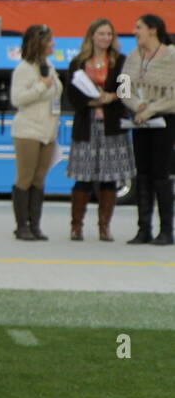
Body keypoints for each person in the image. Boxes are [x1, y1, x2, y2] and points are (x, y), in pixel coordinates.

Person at [65, 19, 134, 242]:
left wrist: (110, 97)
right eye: (102, 33)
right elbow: (71, 95)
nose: (106, 38)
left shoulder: (121, 62)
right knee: (82, 177)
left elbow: (127, 90)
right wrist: (92, 102)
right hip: (87, 125)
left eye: (109, 34)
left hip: (112, 126)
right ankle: (76, 226)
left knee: (109, 178)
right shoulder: (78, 62)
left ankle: (104, 226)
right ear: (91, 36)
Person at [119, 14, 175, 245]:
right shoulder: (132, 57)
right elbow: (123, 89)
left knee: (160, 175)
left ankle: (166, 230)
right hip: (139, 120)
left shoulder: (172, 55)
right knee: (142, 174)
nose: (134, 31)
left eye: (138, 27)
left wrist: (151, 109)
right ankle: (143, 229)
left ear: (153, 30)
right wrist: (137, 107)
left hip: (164, 120)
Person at [10, 25, 62, 241]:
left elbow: (57, 91)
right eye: (50, 41)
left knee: (40, 179)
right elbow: (17, 99)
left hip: (48, 131)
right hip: (28, 131)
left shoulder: (49, 65)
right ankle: (22, 226)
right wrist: (42, 87)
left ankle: (35, 225)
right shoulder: (23, 69)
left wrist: (51, 84)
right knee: (25, 177)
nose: (54, 44)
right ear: (39, 43)